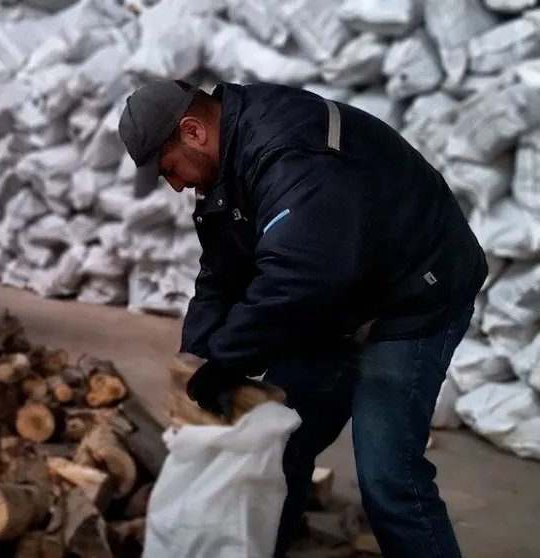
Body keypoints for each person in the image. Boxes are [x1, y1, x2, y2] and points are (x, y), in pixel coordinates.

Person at [119, 80, 486, 558]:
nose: (175, 184)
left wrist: (228, 362)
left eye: (169, 169)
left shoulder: (289, 149)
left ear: (193, 131)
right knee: (282, 448)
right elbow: (220, 276)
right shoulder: (222, 173)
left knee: (389, 477)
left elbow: (303, 274)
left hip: (414, 296)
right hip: (338, 301)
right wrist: (196, 360)